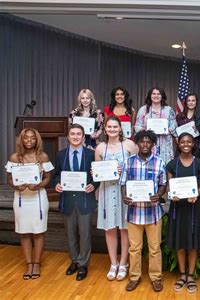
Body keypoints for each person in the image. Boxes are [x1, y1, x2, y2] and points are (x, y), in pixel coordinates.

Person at [120, 130, 167, 292]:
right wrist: (125, 196)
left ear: (153, 144)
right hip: (134, 213)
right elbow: (124, 183)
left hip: (153, 213)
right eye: (142, 141)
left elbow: (163, 183)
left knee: (155, 248)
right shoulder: (128, 162)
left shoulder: (159, 162)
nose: (145, 144)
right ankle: (134, 277)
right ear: (137, 143)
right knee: (134, 248)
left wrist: (159, 195)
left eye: (148, 142)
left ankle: (156, 277)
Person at [5, 128, 53, 280]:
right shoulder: (14, 157)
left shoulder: (43, 157)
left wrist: (39, 185)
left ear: (37, 140)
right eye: (26, 138)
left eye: (32, 138)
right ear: (21, 139)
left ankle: (37, 263)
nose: (29, 141)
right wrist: (16, 186)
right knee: (24, 232)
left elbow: (47, 177)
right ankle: (29, 264)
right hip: (21, 199)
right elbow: (9, 179)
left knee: (38, 232)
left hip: (38, 199)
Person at [94, 116, 138, 281]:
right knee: (110, 228)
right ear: (105, 129)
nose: (112, 129)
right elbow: (97, 172)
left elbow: (136, 166)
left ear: (121, 128)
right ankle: (113, 263)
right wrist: (95, 172)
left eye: (115, 127)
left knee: (124, 228)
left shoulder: (129, 145)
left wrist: (124, 170)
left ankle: (124, 263)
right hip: (107, 190)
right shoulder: (100, 148)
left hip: (125, 190)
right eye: (109, 127)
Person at [54, 124, 99, 281]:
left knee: (85, 234)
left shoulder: (91, 154)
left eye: (78, 134)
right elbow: (56, 175)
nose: (75, 136)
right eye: (72, 134)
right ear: (68, 136)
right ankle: (74, 260)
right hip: (67, 200)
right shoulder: (60, 155)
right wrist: (57, 184)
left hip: (85, 200)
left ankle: (83, 264)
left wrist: (94, 184)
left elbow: (97, 176)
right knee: (71, 234)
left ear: (83, 136)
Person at [166, 133, 200, 294]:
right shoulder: (171, 164)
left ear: (193, 143)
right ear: (178, 144)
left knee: (193, 243)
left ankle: (190, 275)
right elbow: (169, 187)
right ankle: (182, 275)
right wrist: (171, 194)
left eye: (189, 141)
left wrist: (196, 193)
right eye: (182, 142)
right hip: (177, 208)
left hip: (193, 207)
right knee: (180, 242)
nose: (186, 144)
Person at [135, 87, 177, 166]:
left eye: (158, 94)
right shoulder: (143, 110)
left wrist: (166, 129)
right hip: (147, 144)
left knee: (165, 168)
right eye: (154, 94)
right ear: (150, 96)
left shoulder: (169, 110)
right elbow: (137, 126)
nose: (156, 96)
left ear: (162, 96)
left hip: (165, 145)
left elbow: (174, 127)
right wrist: (144, 130)